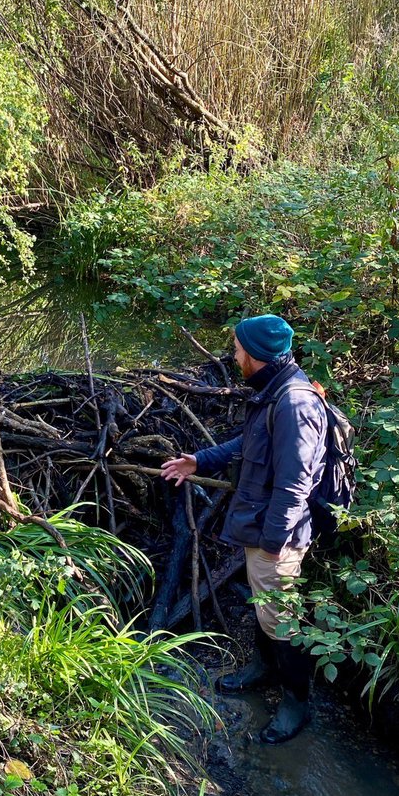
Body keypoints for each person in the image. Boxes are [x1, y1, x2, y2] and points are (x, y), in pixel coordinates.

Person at [160, 313, 327, 744]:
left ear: (255, 356)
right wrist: (199, 460)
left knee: (282, 618)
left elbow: (295, 484)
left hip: (279, 537)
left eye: (237, 350)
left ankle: (295, 704)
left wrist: (274, 543)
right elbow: (249, 443)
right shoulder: (273, 392)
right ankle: (262, 668)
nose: (233, 357)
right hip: (262, 528)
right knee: (266, 606)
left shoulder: (294, 403)